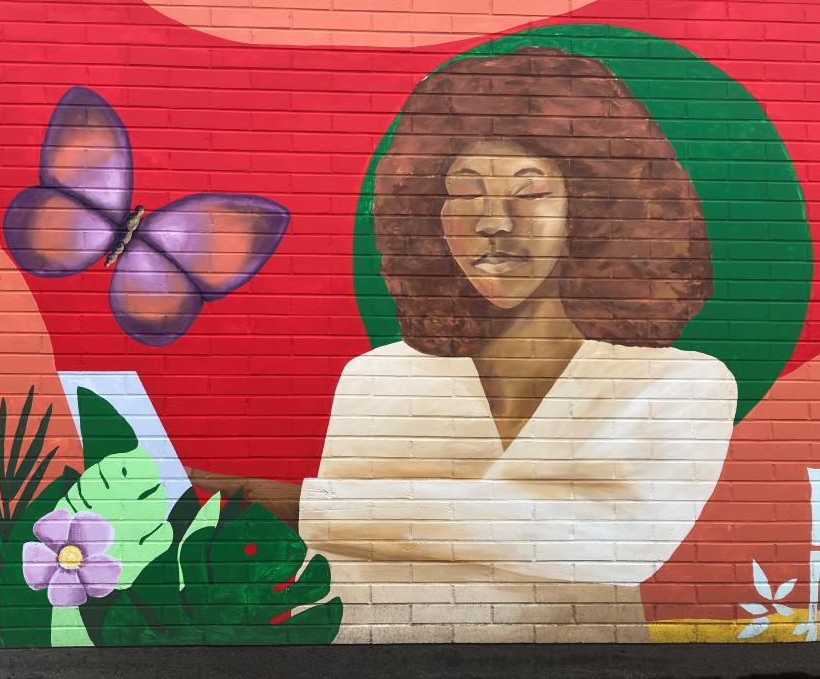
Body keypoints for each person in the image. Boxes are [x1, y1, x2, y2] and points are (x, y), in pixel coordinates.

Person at [296, 47, 738, 642]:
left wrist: (311, 507)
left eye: (529, 193)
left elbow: (619, 545)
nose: (494, 221)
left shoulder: (681, 384)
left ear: (595, 209)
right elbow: (344, 567)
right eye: (465, 190)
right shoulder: (378, 377)